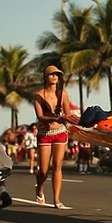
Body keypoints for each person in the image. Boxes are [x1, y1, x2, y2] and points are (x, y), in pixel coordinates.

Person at [34, 65, 72, 209]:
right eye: (51, 74)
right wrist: (56, 118)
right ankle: (39, 188)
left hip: (60, 132)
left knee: (57, 165)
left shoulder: (63, 94)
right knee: (44, 170)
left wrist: (70, 122)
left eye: (57, 74)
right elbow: (40, 116)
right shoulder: (39, 95)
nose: (54, 77)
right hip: (45, 134)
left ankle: (56, 199)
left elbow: (68, 114)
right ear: (45, 77)